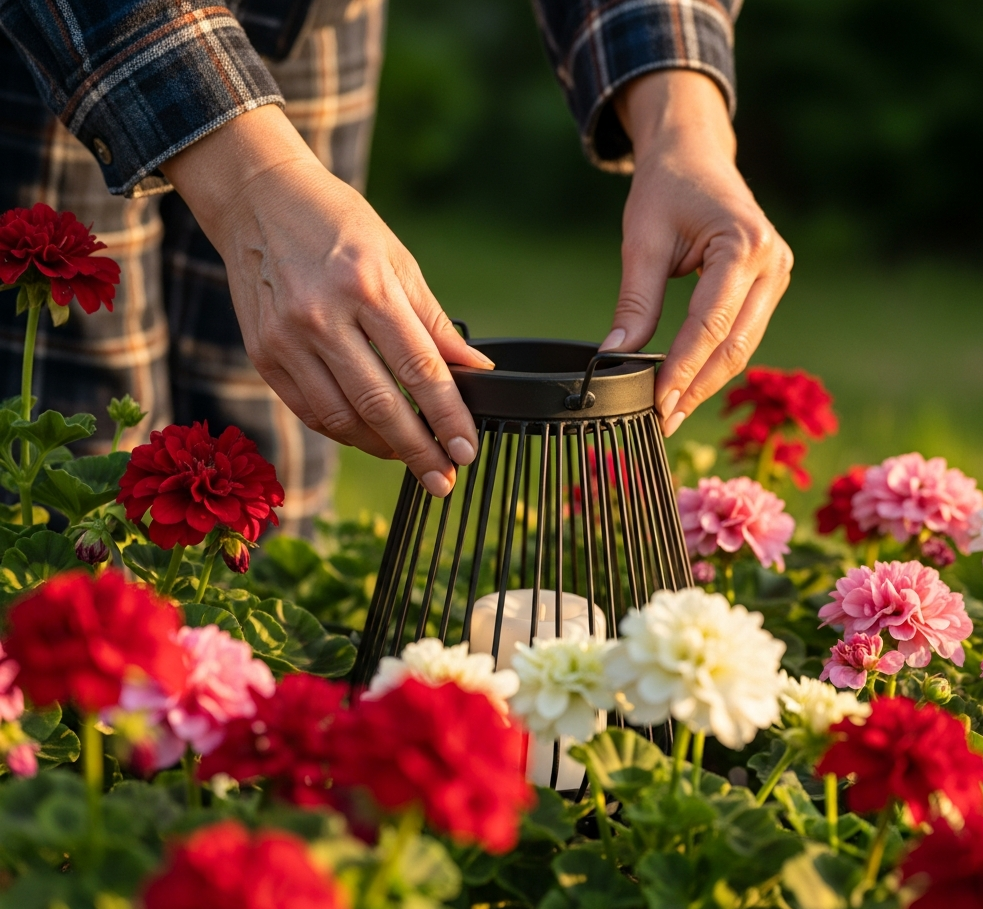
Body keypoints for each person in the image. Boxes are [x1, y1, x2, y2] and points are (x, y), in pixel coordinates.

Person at [0, 0, 791, 529]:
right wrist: (255, 177)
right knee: (58, 495)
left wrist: (683, 121)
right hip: (50, 37)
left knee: (266, 490)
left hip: (302, 24)